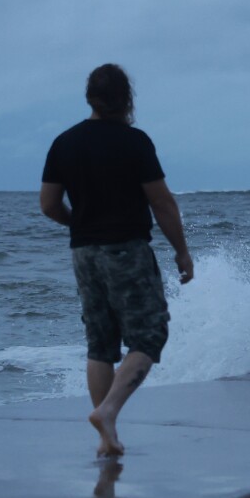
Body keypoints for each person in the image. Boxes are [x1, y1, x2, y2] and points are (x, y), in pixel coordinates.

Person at [40, 63, 193, 457]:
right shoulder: (134, 142)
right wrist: (181, 250)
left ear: (89, 98)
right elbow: (162, 203)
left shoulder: (64, 143)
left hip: (83, 252)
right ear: (126, 99)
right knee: (150, 334)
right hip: (126, 249)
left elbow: (48, 205)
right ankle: (108, 412)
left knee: (100, 343)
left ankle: (106, 435)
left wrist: (79, 223)